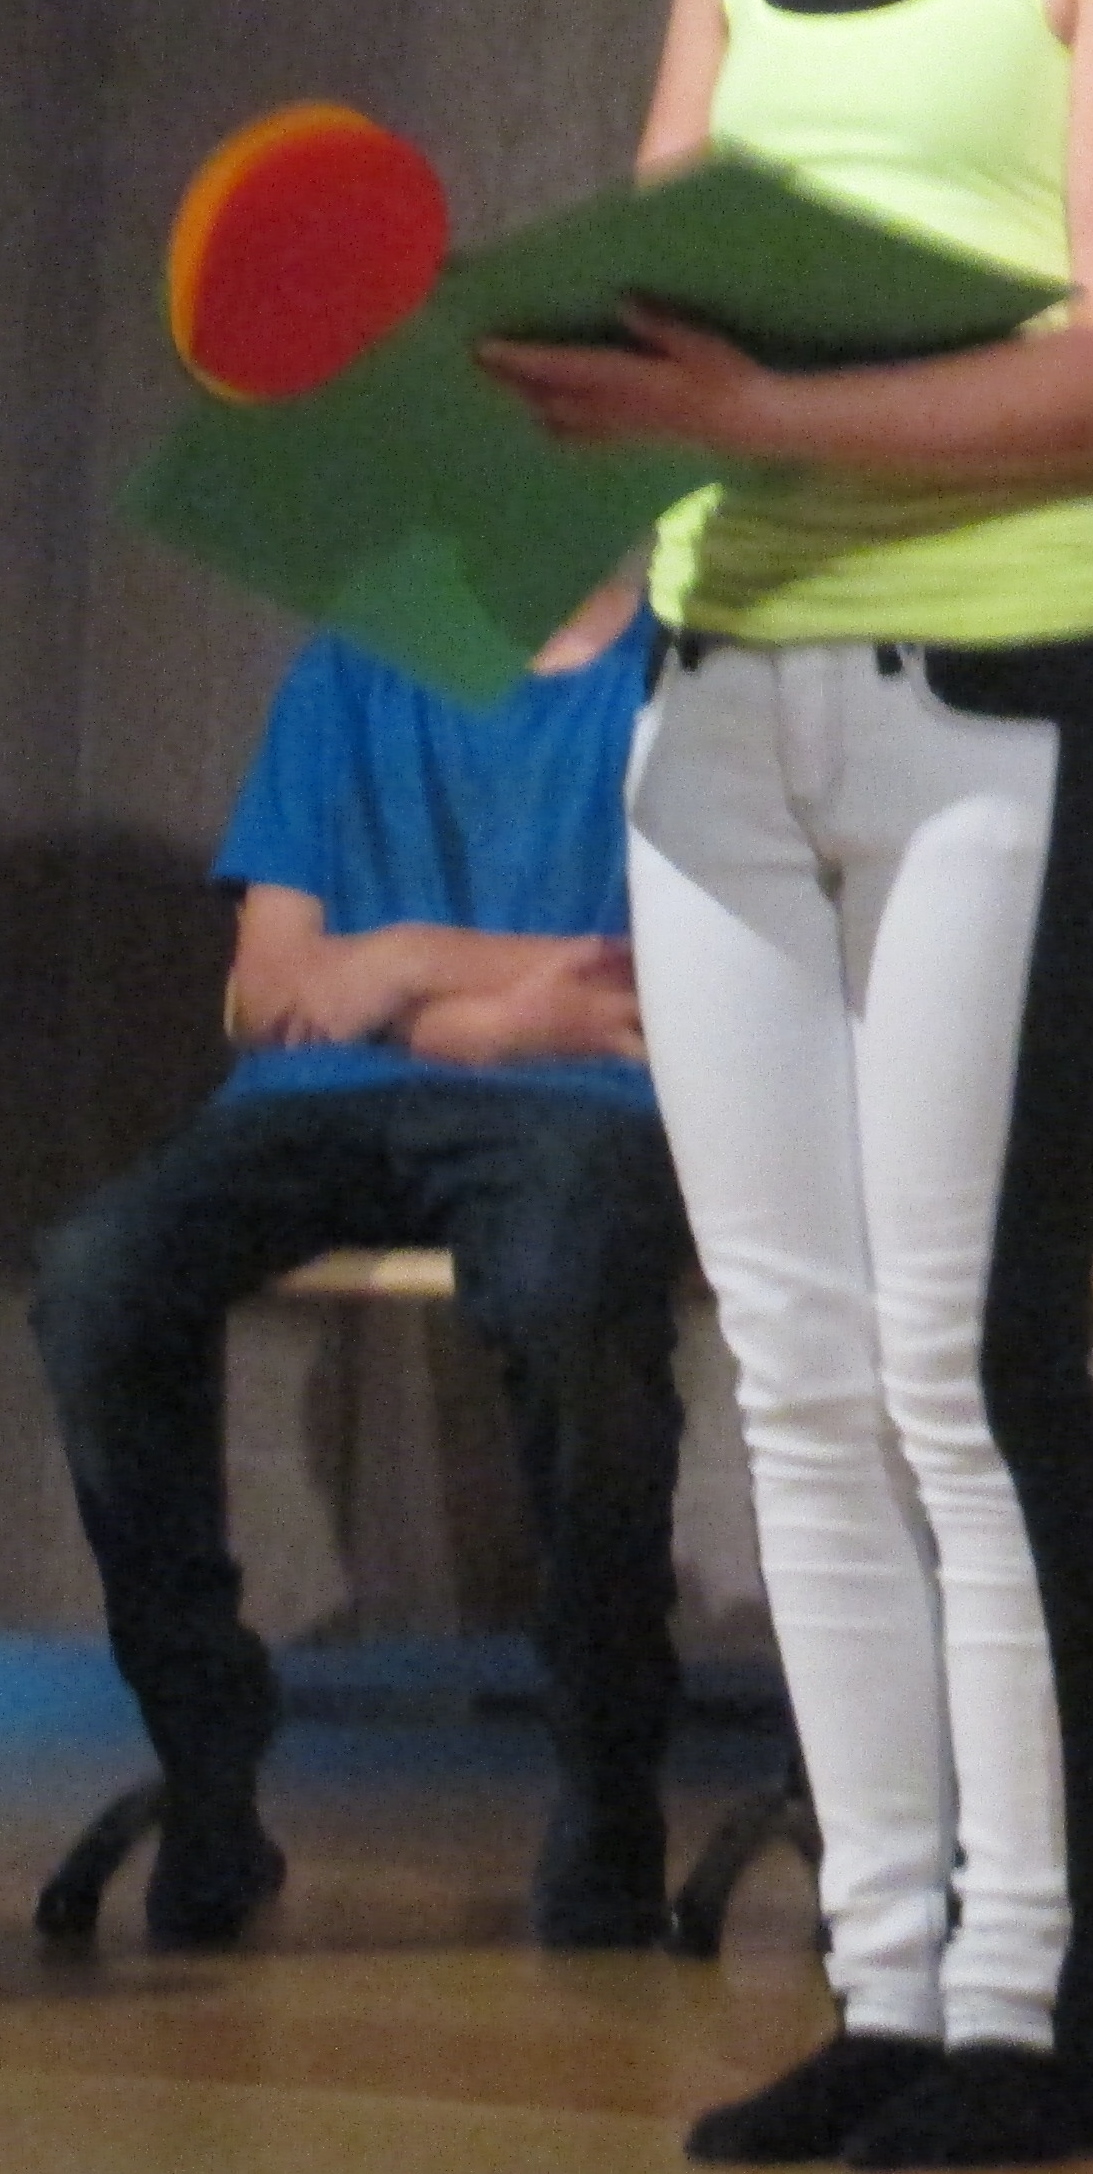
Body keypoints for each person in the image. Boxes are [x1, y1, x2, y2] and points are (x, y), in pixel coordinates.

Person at [478, 0, 1093, 2172]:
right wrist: (505, 482)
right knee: (799, 1376)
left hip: (998, 716)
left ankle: (1033, 2014)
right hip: (726, 722)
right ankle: (893, 1974)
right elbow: (659, 325)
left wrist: (763, 411)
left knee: (967, 1361)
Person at [30, 570, 685, 1956]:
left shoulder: (684, 675)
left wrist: (393, 973)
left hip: (582, 1105)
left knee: (566, 1290)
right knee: (97, 1279)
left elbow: (656, 977)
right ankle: (206, 1767)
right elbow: (277, 986)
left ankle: (607, 1770)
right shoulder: (358, 662)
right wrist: (461, 994)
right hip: (320, 1102)